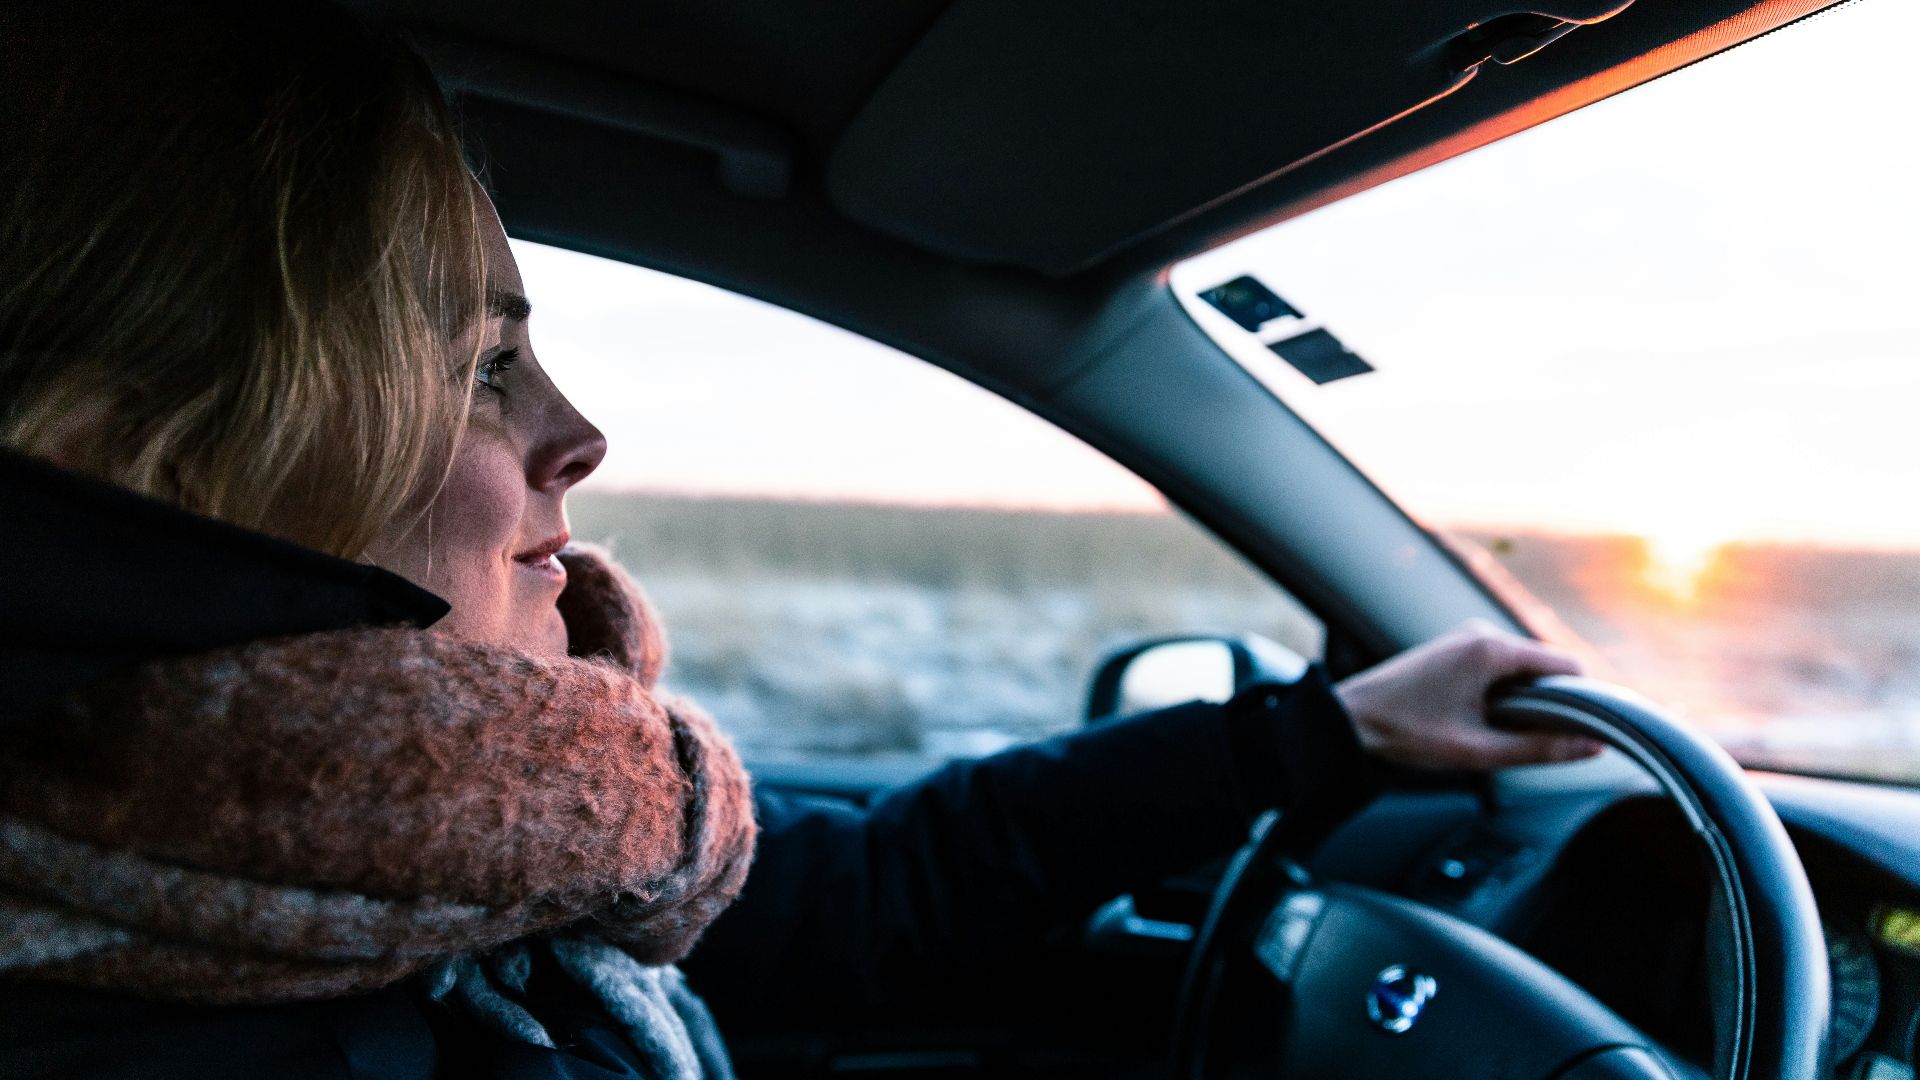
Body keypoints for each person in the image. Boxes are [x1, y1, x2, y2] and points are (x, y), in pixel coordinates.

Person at [0, 3, 1601, 1077]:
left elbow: (872, 894)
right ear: (137, 471)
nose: (581, 436)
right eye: (484, 368)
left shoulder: (470, 854)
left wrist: (1321, 733)